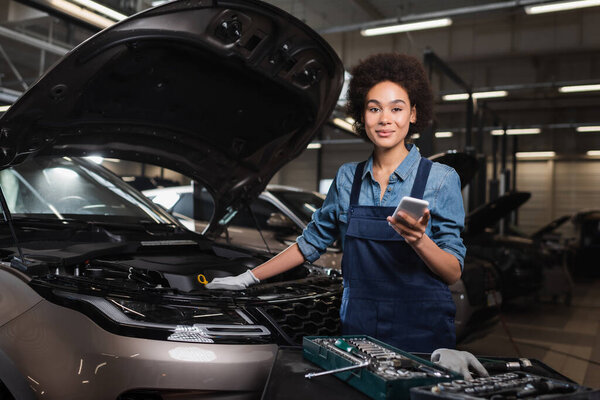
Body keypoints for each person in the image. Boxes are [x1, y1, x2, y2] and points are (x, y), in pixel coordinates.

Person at [207, 53, 466, 354]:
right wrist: (247, 278)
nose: (385, 119)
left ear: (413, 114)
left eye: (397, 108)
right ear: (361, 115)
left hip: (422, 329)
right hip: (360, 325)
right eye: (374, 109)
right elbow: (309, 244)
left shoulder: (440, 180)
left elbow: (453, 272)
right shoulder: (347, 179)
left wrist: (419, 241)